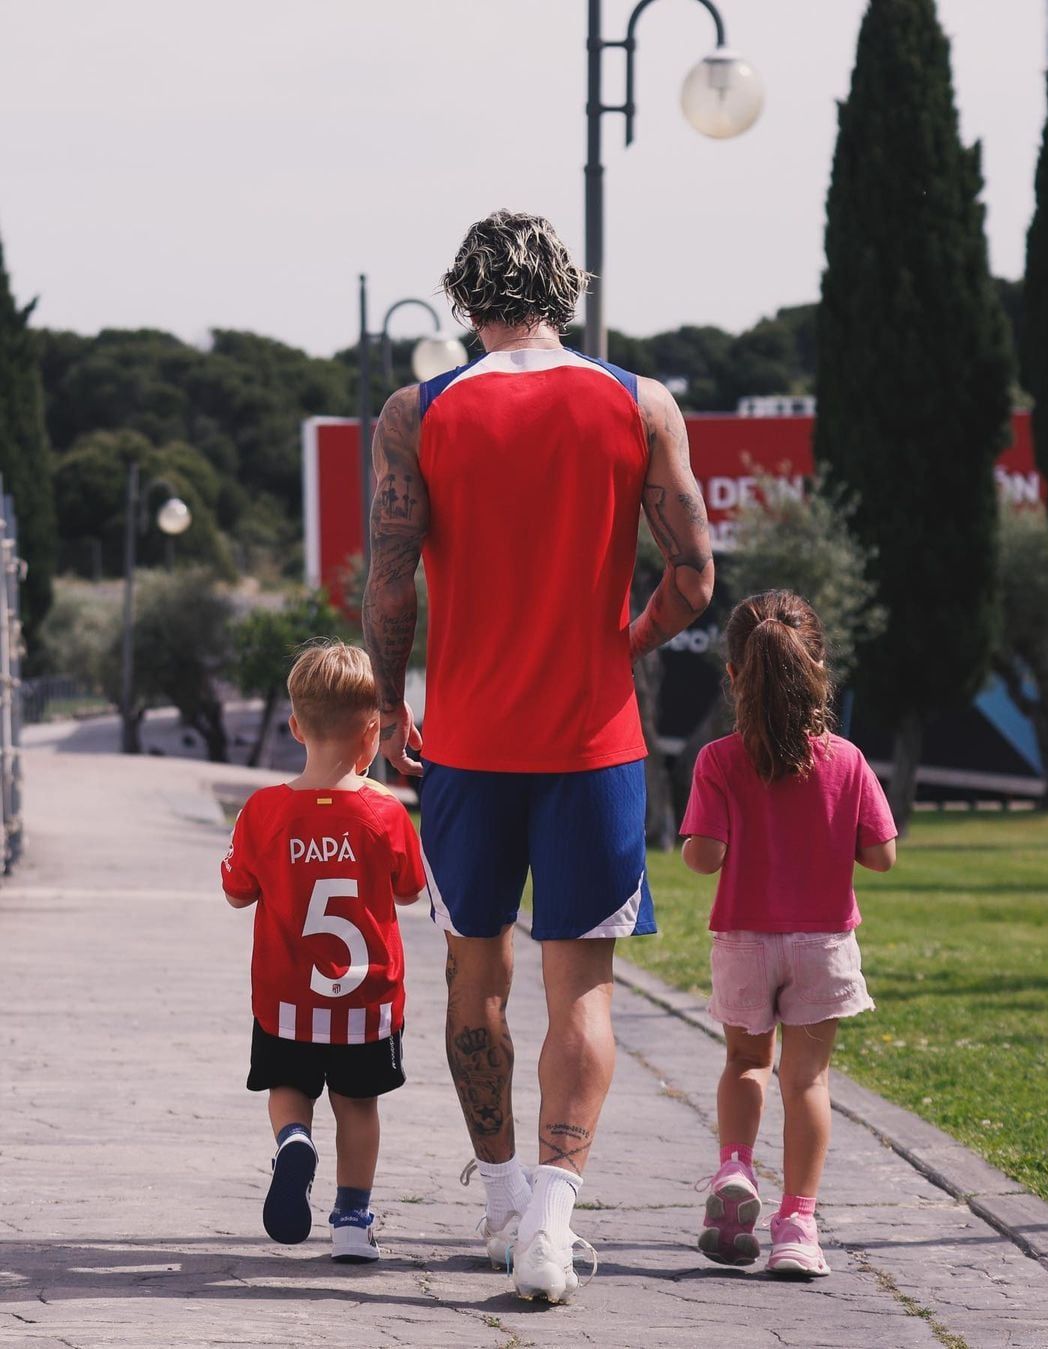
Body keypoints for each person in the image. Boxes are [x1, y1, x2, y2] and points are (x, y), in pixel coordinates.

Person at [362, 209, 713, 1302]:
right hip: (596, 742)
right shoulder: (639, 402)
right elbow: (695, 576)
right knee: (585, 994)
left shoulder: (417, 411)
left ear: (463, 301)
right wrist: (624, 642)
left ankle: (505, 1198)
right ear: (569, 293)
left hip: (465, 743)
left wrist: (387, 698)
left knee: (476, 977)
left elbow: (389, 580)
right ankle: (555, 1226)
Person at [681, 590, 897, 1277]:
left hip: (745, 939)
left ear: (734, 674)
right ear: (818, 669)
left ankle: (735, 1168)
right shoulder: (848, 760)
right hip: (823, 943)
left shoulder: (718, 759)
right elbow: (881, 854)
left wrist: (704, 840)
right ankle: (797, 1224)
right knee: (807, 1080)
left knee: (747, 1062)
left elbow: (704, 855)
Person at [222, 641, 426, 1262]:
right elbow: (412, 889)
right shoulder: (386, 814)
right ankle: (351, 1221)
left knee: (288, 1085)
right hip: (365, 1004)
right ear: (372, 731)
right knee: (357, 1106)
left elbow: (236, 893)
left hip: (285, 1000)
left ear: (294, 725)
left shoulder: (263, 811)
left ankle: (292, 1142)